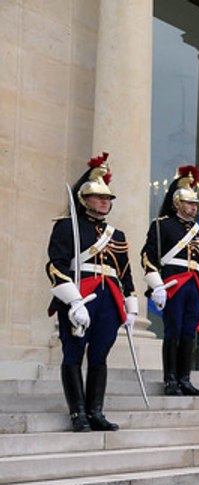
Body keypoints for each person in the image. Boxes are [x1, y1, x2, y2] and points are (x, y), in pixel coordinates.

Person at [46, 152, 138, 431]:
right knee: (73, 354)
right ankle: (78, 413)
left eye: (108, 198)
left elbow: (124, 273)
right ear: (84, 199)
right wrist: (74, 301)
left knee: (100, 355)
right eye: (99, 197)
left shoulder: (117, 235)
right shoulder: (66, 226)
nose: (104, 202)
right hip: (80, 297)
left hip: (109, 300)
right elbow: (55, 267)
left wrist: (131, 306)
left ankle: (95, 411)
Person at [141, 165, 199, 396]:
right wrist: (157, 285)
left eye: (195, 204)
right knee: (173, 330)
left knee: (189, 332)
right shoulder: (162, 225)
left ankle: (185, 378)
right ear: (177, 204)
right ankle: (170, 379)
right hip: (173, 283)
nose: (194, 207)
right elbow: (148, 257)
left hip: (193, 285)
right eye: (190, 203)